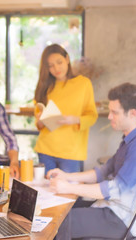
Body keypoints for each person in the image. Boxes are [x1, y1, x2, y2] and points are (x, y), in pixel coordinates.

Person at [48, 82, 136, 239]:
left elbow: (114, 189)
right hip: (112, 208)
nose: (109, 117)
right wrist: (67, 176)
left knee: (60, 221)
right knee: (62, 208)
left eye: (114, 112)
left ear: (132, 113)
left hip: (122, 219)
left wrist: (67, 187)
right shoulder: (130, 140)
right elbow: (102, 172)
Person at [34, 44, 98, 174]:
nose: (56, 68)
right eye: (50, 66)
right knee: (46, 193)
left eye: (59, 62)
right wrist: (41, 120)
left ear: (67, 59)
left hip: (71, 152)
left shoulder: (83, 84)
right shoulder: (44, 87)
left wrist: (75, 119)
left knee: (69, 192)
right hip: (45, 149)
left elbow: (92, 116)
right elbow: (39, 125)